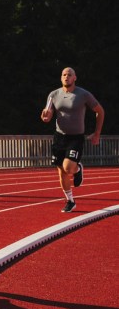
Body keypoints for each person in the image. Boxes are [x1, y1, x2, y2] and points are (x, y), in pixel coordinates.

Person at [40, 66, 104, 213]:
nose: (66, 77)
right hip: (59, 137)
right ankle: (70, 201)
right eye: (64, 74)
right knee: (61, 171)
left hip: (75, 137)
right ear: (61, 77)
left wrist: (97, 133)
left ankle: (78, 168)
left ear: (75, 78)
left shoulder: (83, 94)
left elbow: (100, 111)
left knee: (68, 167)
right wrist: (45, 117)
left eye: (69, 75)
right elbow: (48, 114)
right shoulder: (53, 95)